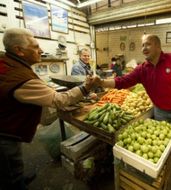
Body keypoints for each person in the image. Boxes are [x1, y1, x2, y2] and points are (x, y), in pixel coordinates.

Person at [94, 34, 171, 185]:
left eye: (147, 44)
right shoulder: (142, 69)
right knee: (163, 141)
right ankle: (161, 166)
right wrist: (102, 82)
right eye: (142, 45)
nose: (144, 48)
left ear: (158, 46)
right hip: (160, 111)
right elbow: (123, 81)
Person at [0, 28, 96, 190]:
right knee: (9, 169)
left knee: (13, 163)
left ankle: (19, 177)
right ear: (19, 51)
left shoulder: (7, 62)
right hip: (5, 132)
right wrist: (86, 88)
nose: (41, 50)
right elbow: (59, 100)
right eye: (36, 47)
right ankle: (17, 182)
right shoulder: (20, 77)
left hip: (8, 125)